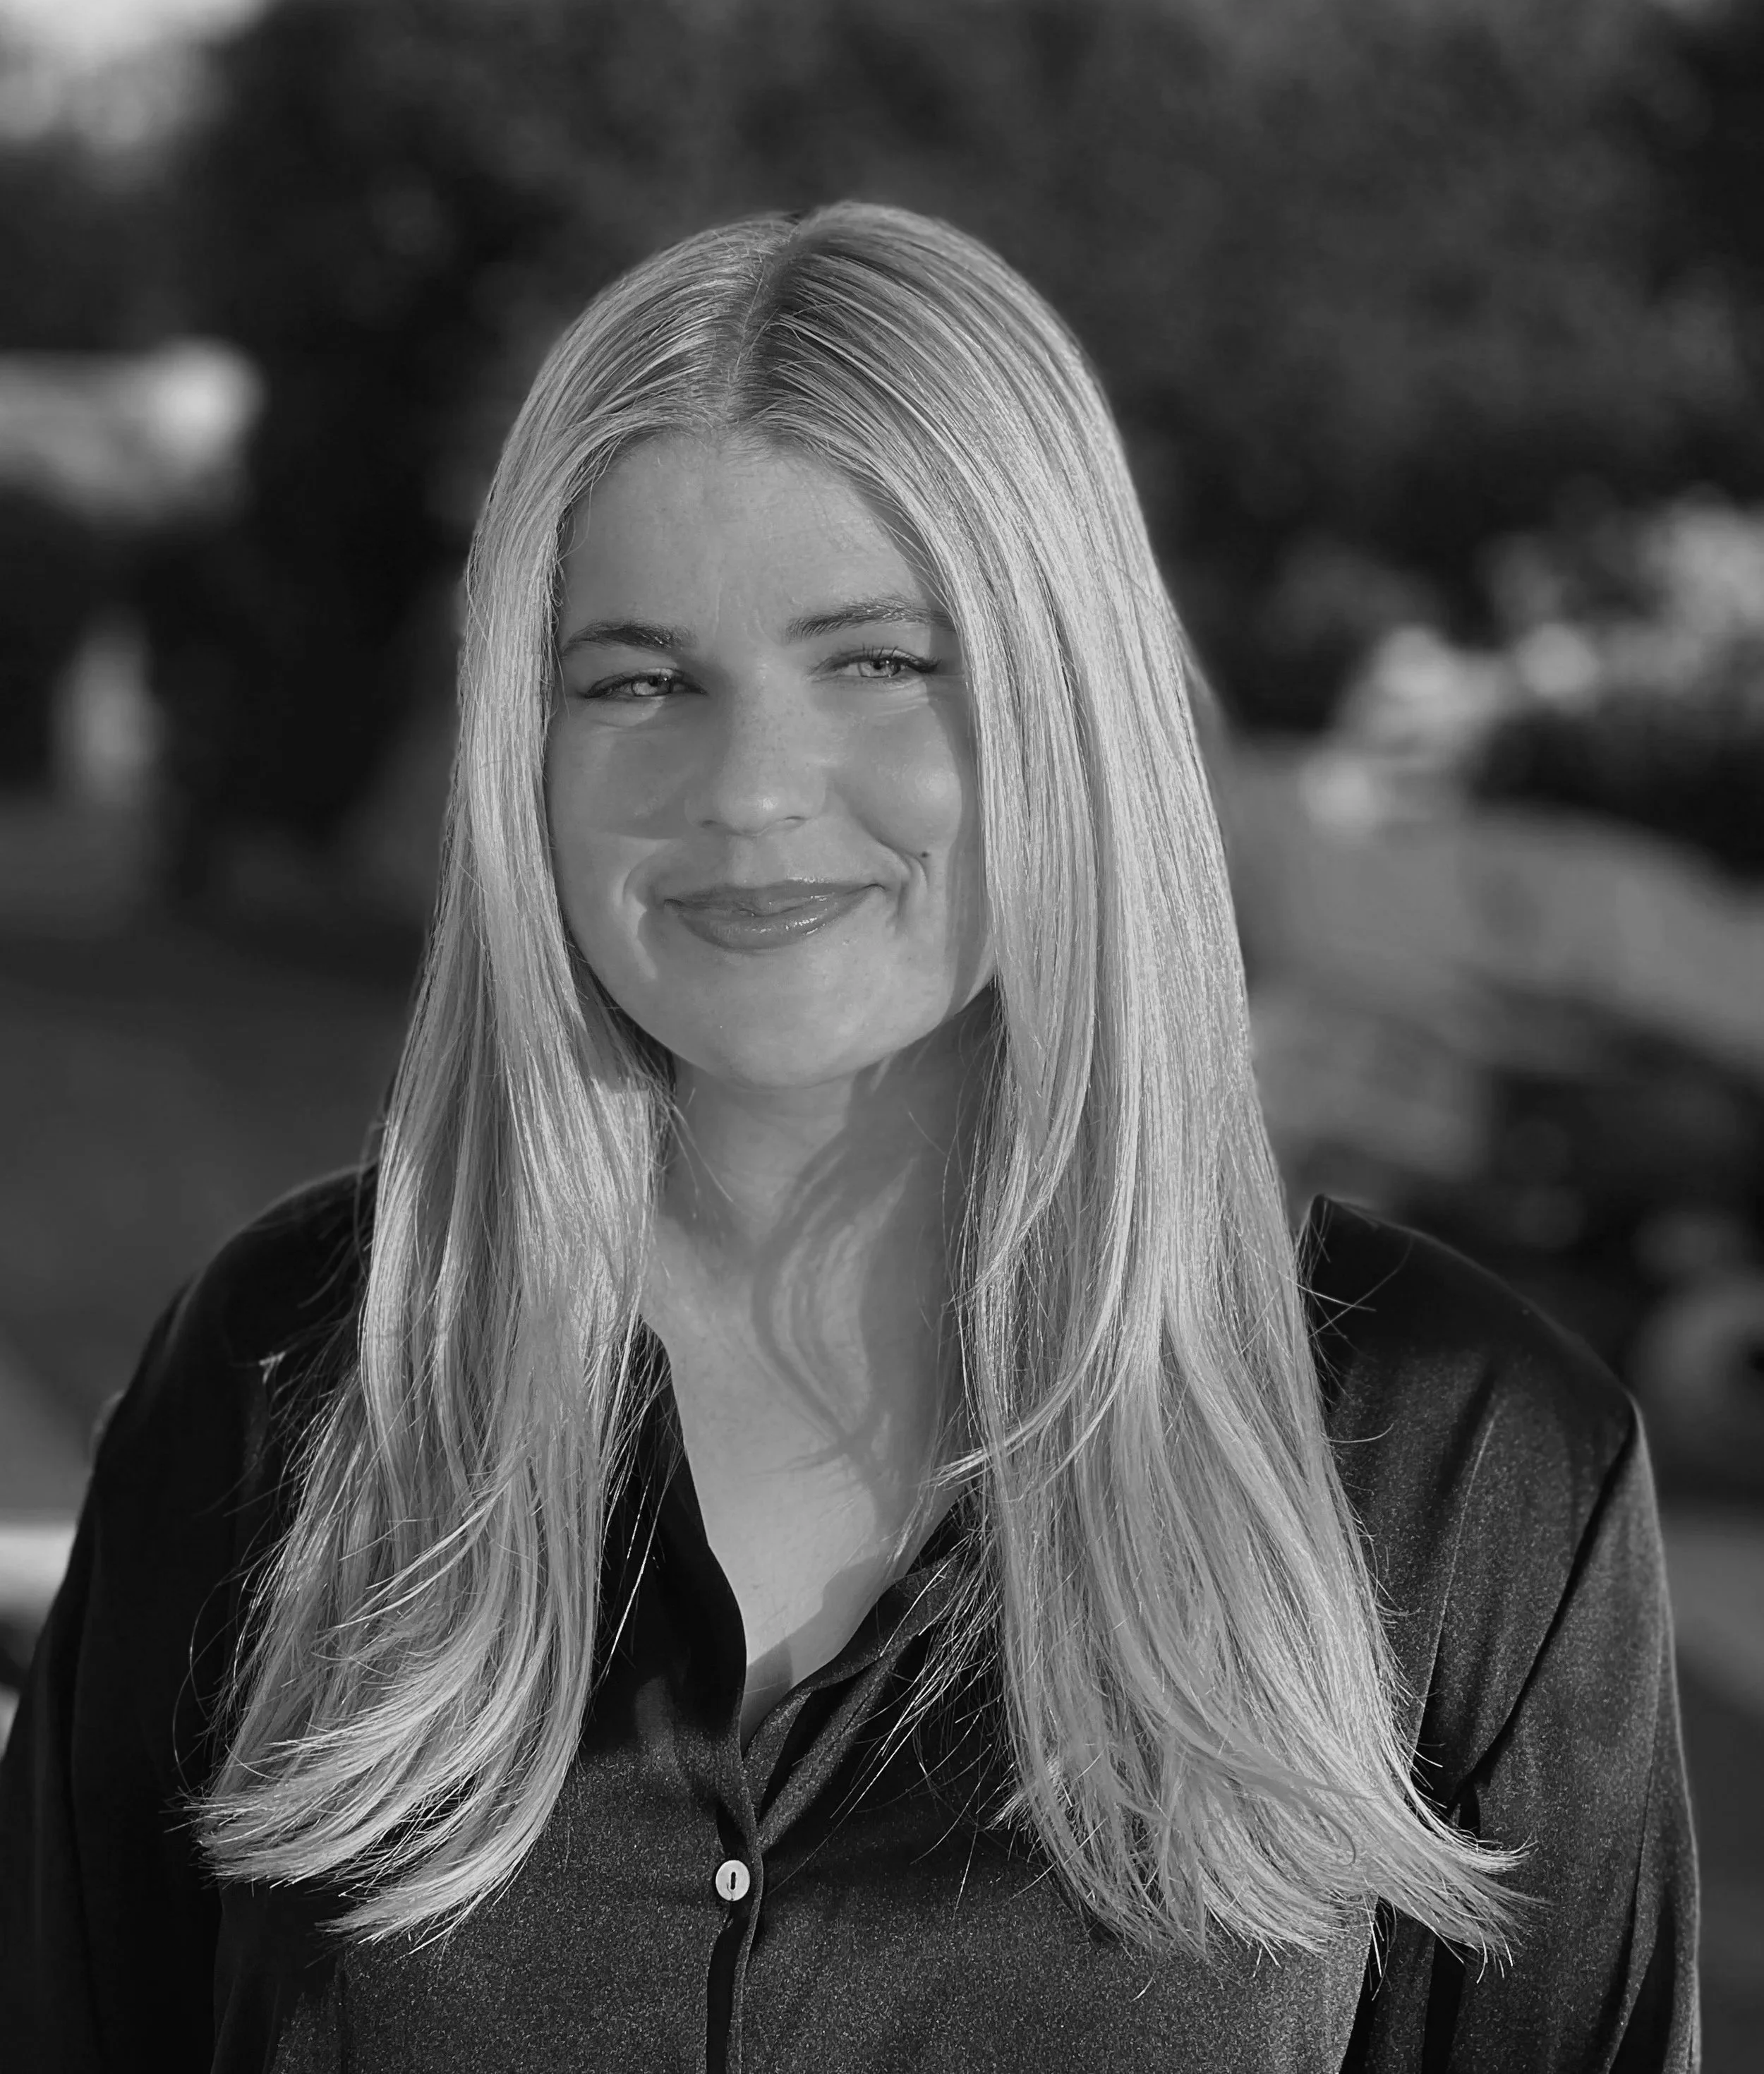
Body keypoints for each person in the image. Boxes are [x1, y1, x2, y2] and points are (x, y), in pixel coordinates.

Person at [0, 203, 1696, 2071]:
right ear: (524, 749)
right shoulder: (285, 1377)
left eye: (876, 661)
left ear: (1062, 711)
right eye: (637, 679)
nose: (745, 790)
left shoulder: (1465, 1461)